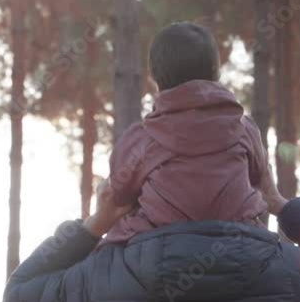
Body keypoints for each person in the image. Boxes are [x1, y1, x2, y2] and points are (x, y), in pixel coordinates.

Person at [3, 170, 300, 301]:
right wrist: (281, 204)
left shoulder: (104, 280)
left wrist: (96, 223)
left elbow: (20, 292)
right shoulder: (286, 270)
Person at [101, 21, 275, 247]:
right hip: (241, 246)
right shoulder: (244, 129)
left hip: (157, 250)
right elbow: (258, 178)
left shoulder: (142, 138)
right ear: (216, 72)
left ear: (154, 77)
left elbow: (119, 198)